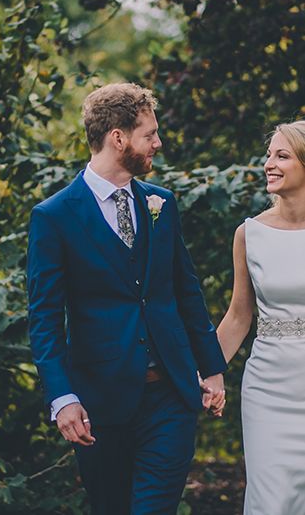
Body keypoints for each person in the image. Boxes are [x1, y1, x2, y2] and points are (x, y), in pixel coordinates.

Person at [26, 83, 226, 515]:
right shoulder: (54, 217)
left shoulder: (161, 203)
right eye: (149, 134)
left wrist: (211, 368)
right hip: (100, 402)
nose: (159, 142)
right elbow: (44, 319)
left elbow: (185, 291)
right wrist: (63, 398)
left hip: (171, 397)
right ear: (118, 137)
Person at [216, 120, 305, 514]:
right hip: (268, 389)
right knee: (271, 503)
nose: (269, 164)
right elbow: (238, 317)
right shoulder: (249, 234)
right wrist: (203, 371)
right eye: (269, 155)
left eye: (282, 156)